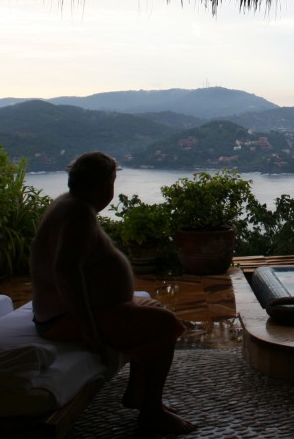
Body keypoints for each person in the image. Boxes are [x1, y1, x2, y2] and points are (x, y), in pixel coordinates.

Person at [30, 151, 195, 435]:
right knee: (165, 324)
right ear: (106, 185)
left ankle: (137, 394)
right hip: (65, 318)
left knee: (155, 309)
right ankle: (151, 413)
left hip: (72, 311)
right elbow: (66, 271)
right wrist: (88, 325)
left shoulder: (71, 204)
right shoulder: (78, 213)